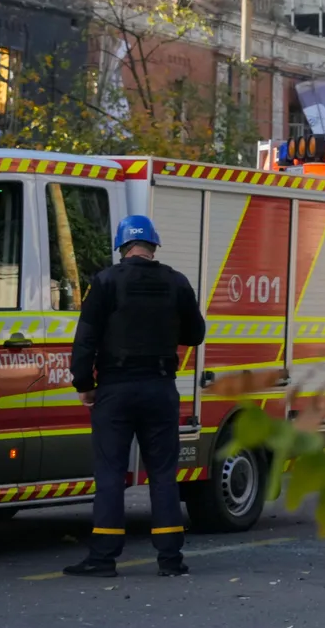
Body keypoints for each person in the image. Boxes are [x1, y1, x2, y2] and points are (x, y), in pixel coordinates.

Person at [64, 215, 207, 578]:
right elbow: (195, 334)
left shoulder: (106, 282)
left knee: (111, 472)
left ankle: (103, 558)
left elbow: (85, 339)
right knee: (163, 474)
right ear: (153, 245)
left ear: (123, 246)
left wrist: (84, 385)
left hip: (115, 390)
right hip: (160, 389)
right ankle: (170, 560)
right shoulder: (176, 282)